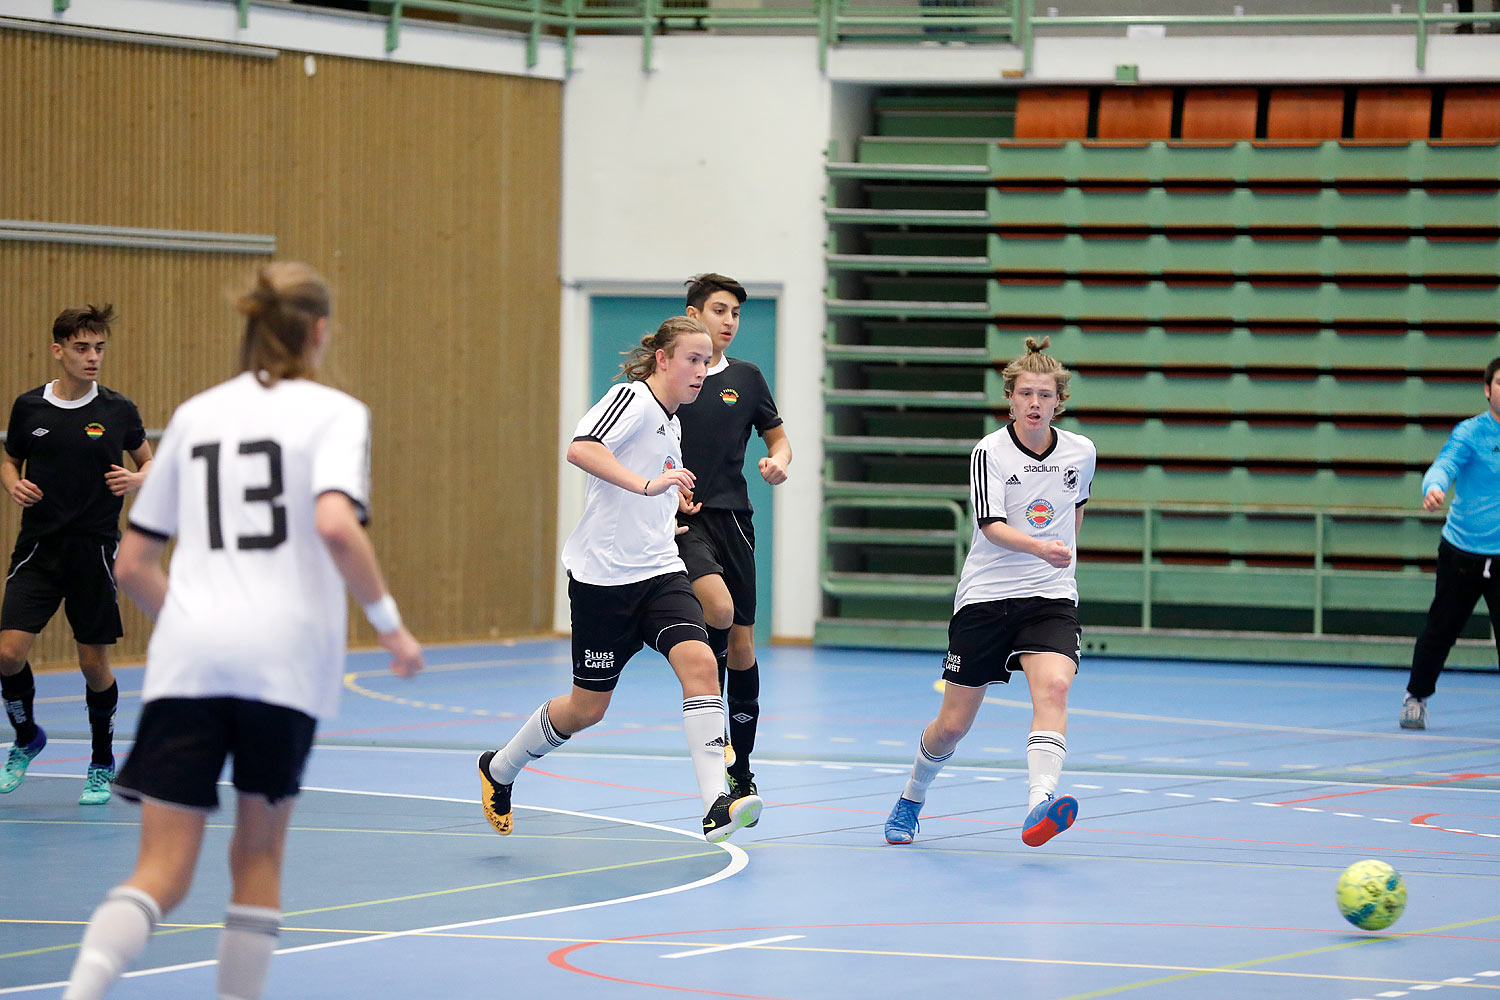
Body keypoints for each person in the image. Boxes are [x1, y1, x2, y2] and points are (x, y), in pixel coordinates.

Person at [61, 262, 423, 1000]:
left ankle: (82, 990)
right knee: (256, 858)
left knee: (158, 870)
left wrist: (195, 618)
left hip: (190, 660)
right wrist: (390, 627)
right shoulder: (336, 413)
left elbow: (132, 564)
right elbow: (334, 524)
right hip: (283, 662)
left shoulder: (195, 415)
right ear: (319, 331)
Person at [477, 316, 763, 844]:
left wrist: (669, 505)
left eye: (707, 362)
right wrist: (649, 484)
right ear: (663, 359)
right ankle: (499, 768)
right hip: (603, 584)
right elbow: (582, 448)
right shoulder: (631, 399)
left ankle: (715, 805)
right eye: (692, 360)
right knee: (586, 709)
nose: (702, 371)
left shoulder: (673, 422)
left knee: (701, 662)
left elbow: (647, 491)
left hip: (658, 570)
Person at [883, 336, 1096, 848]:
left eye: (1045, 395)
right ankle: (912, 796)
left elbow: (1075, 512)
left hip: (1049, 597)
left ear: (1058, 401)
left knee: (1055, 689)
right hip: (986, 599)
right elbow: (992, 526)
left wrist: (1059, 562)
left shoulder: (1081, 452)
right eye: (1026, 394)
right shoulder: (991, 452)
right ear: (1011, 397)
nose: (1035, 404)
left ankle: (1039, 803)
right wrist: (1043, 548)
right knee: (953, 726)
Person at [1, 304, 153, 805]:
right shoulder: (29, 408)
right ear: (58, 350)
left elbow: (150, 463)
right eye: (83, 348)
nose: (92, 358)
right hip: (38, 550)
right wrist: (12, 484)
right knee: (6, 653)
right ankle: (26, 739)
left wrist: (135, 480)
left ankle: (102, 761)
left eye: (99, 349)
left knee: (92, 663)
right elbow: (8, 457)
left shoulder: (117, 410)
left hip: (94, 552)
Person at [675, 273, 791, 807]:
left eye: (736, 313)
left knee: (742, 645)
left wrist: (777, 462)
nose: (729, 321)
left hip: (735, 519)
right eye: (719, 310)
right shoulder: (671, 377)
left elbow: (778, 437)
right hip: (684, 517)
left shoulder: (747, 378)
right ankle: (713, 732)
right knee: (716, 608)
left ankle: (741, 767)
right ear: (694, 314)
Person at [1401, 356, 1500, 730]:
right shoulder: (1471, 433)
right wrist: (1435, 487)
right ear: (1487, 389)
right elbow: (1444, 464)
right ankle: (1416, 697)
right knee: (1441, 629)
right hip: (1462, 553)